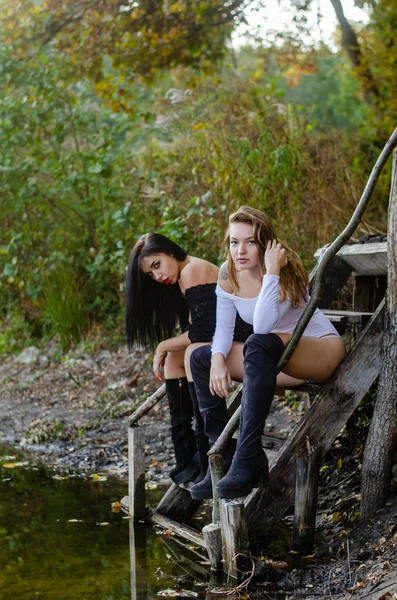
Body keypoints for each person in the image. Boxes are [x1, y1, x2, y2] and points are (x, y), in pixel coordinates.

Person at [189, 206, 346, 499]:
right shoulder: (228, 274)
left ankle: (249, 455)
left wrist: (272, 271)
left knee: (258, 344)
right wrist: (218, 360)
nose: (240, 250)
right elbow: (223, 330)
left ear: (266, 243)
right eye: (234, 242)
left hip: (317, 351)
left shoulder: (284, 267)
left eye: (250, 241)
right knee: (200, 357)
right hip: (275, 363)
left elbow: (262, 326)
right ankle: (223, 455)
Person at [125, 233, 218, 484]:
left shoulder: (192, 269)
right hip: (218, 341)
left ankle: (204, 457)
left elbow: (202, 332)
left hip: (240, 335)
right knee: (173, 361)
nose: (158, 276)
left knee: (182, 354)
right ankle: (186, 460)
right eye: (150, 274)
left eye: (156, 265)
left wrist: (162, 346)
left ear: (169, 251)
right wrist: (166, 351)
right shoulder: (179, 279)